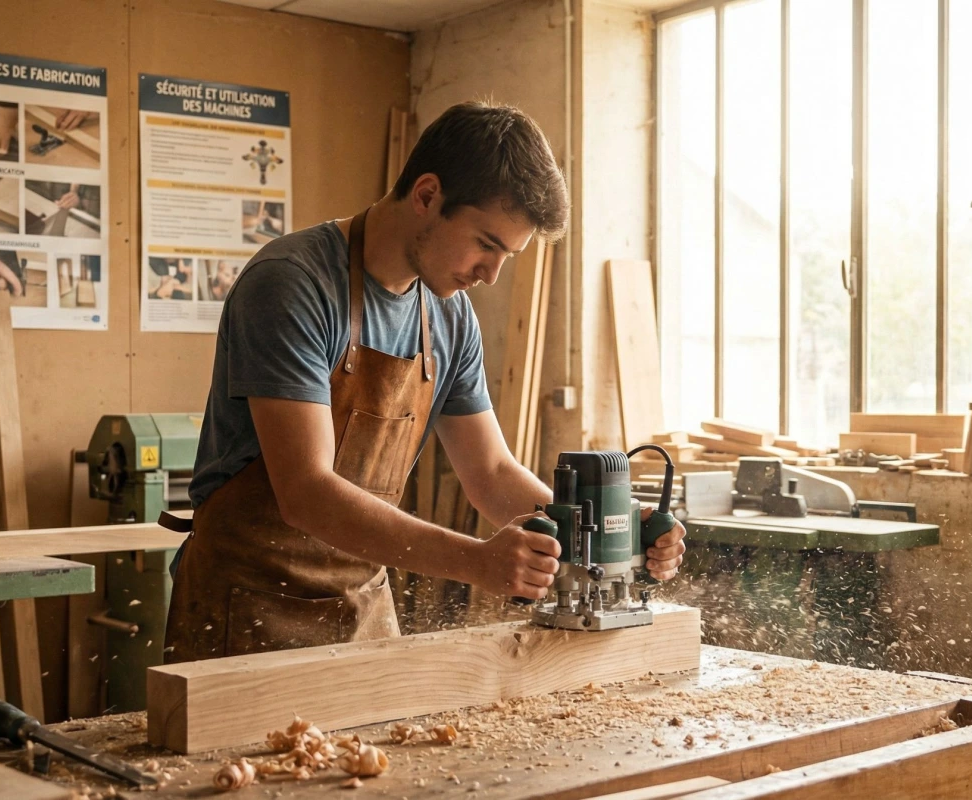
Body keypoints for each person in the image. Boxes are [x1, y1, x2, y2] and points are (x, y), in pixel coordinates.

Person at [163, 101, 686, 663]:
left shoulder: (449, 316)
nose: (491, 275)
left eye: (507, 256)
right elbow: (307, 493)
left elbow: (490, 473)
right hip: (246, 609)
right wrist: (476, 561)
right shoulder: (293, 285)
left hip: (361, 609)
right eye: (486, 244)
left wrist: (606, 534)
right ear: (427, 195)